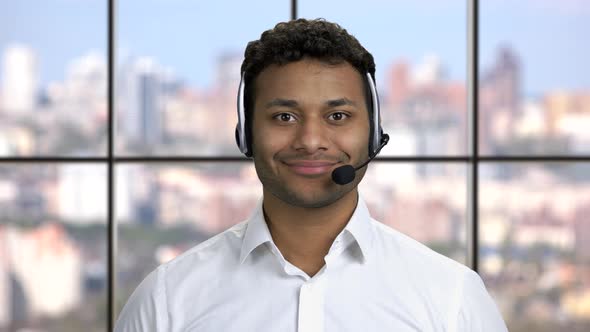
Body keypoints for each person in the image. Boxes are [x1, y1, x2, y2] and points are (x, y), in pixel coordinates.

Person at [115, 18, 508, 332]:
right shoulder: (167, 302)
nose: (311, 140)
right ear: (246, 132)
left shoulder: (451, 297)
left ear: (373, 134)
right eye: (284, 117)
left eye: (338, 116)